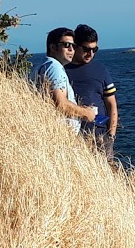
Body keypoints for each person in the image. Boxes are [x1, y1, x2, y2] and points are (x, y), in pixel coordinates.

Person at [65, 24, 118, 156]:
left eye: (95, 50)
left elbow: (111, 104)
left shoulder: (101, 70)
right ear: (75, 46)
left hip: (100, 138)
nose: (91, 54)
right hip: (71, 137)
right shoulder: (61, 70)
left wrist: (110, 136)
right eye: (86, 49)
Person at [33, 27, 97, 134]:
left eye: (74, 45)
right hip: (59, 134)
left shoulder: (41, 66)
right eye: (66, 45)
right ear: (53, 47)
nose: (71, 49)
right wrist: (86, 113)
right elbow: (61, 104)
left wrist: (78, 108)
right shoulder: (54, 67)